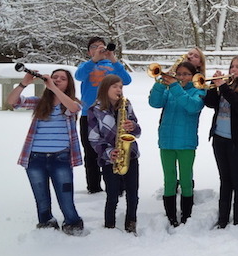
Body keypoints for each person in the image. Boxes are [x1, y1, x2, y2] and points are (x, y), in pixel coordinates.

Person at [8, 68, 85, 235]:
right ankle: (46, 222)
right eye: (54, 77)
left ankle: (73, 223)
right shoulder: (39, 102)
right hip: (35, 158)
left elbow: (73, 108)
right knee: (41, 197)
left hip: (61, 158)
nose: (57, 80)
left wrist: (53, 88)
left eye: (62, 78)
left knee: (65, 197)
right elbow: (12, 101)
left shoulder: (71, 102)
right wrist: (24, 83)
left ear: (68, 84)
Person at [148, 61, 206, 227]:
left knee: (186, 179)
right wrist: (159, 83)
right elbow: (154, 103)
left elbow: (192, 107)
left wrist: (175, 87)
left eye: (186, 74)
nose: (182, 77)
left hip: (186, 143)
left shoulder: (199, 91)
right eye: (179, 74)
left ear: (193, 76)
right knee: (169, 179)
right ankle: (171, 216)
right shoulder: (169, 90)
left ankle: (186, 215)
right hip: (166, 141)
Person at [204, 55, 238, 229]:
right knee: (225, 179)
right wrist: (214, 86)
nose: (233, 70)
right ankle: (222, 218)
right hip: (219, 138)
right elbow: (210, 103)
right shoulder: (227, 86)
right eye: (232, 67)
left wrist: (224, 88)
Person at [75, 37, 132, 194]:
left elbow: (127, 80)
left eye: (102, 46)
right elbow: (78, 76)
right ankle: (94, 187)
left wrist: (113, 60)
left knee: (115, 149)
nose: (99, 49)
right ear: (89, 51)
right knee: (91, 151)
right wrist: (94, 60)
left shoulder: (113, 66)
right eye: (95, 47)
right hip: (89, 114)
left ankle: (118, 186)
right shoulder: (86, 66)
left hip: (112, 114)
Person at [88, 75, 142, 234]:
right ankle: (109, 225)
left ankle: (131, 222)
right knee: (112, 195)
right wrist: (109, 152)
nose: (119, 90)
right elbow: (93, 138)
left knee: (133, 194)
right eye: (115, 87)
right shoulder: (94, 110)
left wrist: (133, 126)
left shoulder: (126, 105)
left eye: (120, 87)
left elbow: (138, 131)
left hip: (130, 155)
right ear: (105, 88)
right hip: (108, 159)